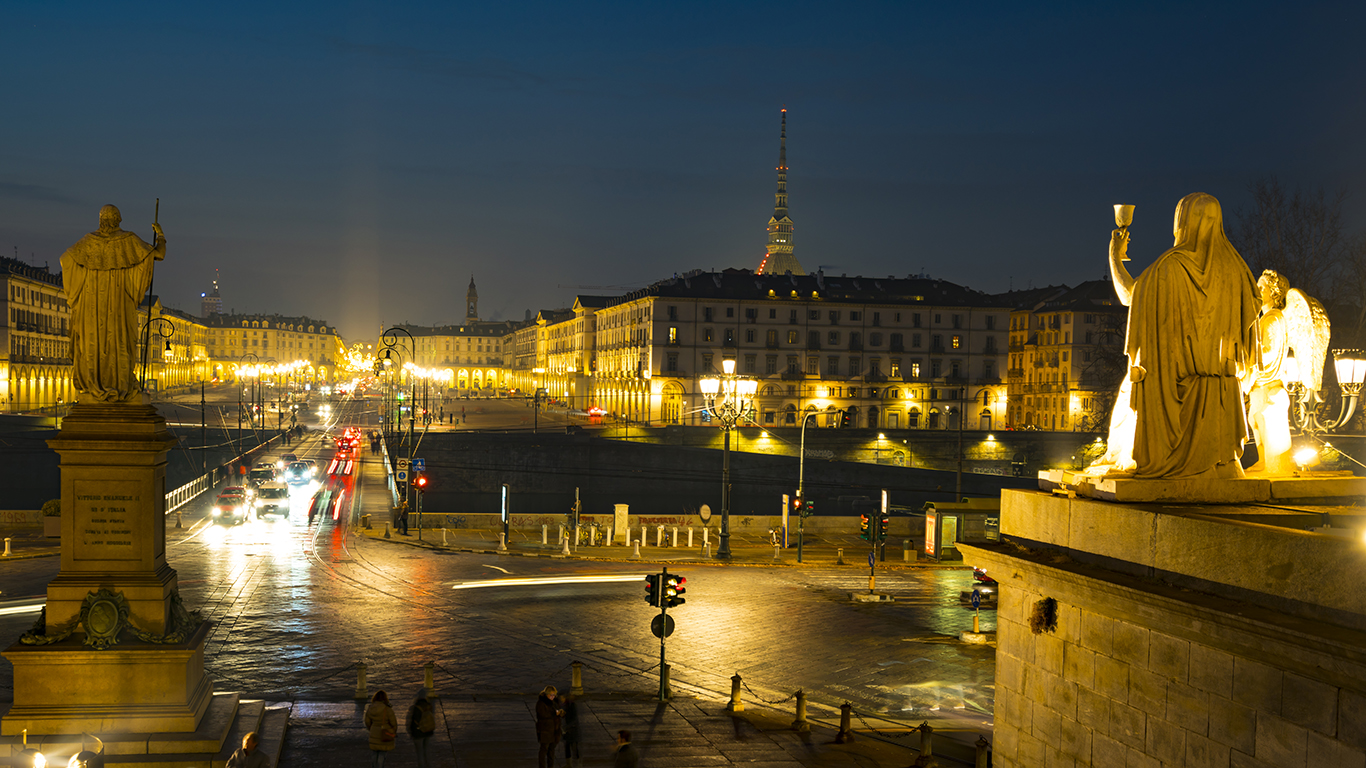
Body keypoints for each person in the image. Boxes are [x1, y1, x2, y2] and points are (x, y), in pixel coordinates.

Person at [1105, 192, 1260, 479]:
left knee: (1127, 398)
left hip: (1174, 387)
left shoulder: (1170, 267)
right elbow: (1249, 332)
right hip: (1223, 393)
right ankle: (1221, 465)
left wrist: (1115, 256)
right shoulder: (1238, 271)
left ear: (1182, 222)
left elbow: (1130, 295)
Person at [60, 204, 166, 403]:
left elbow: (65, 259)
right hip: (119, 304)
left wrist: (85, 276)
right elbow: (158, 254)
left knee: (93, 343)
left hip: (91, 306)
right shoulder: (128, 240)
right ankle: (120, 383)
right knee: (120, 340)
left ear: (101, 220)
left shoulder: (87, 242)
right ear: (118, 219)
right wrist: (160, 235)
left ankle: (95, 384)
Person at [364, 690, 397, 768]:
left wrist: (371, 729)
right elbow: (393, 723)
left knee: (374, 752)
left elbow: (367, 722)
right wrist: (393, 731)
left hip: (374, 731)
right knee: (382, 753)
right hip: (384, 733)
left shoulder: (371, 708)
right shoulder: (387, 709)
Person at [535, 685, 563, 768]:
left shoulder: (554, 702)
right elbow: (543, 715)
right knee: (544, 750)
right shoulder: (541, 703)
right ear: (546, 694)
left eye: (554, 695)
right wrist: (554, 713)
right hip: (545, 730)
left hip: (554, 730)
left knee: (551, 751)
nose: (553, 697)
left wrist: (560, 713)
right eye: (551, 695)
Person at [407, 695, 436, 768]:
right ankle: (429, 765)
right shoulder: (429, 707)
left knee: (420, 752)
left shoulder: (416, 708)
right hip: (428, 731)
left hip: (418, 733)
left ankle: (422, 766)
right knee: (426, 750)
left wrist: (411, 732)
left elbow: (413, 722)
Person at [559, 693, 580, 767]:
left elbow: (573, 719)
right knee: (568, 746)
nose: (561, 699)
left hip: (572, 730)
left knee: (573, 747)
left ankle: (575, 764)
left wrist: (567, 727)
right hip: (569, 730)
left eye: (562, 698)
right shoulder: (566, 705)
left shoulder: (570, 706)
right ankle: (570, 764)